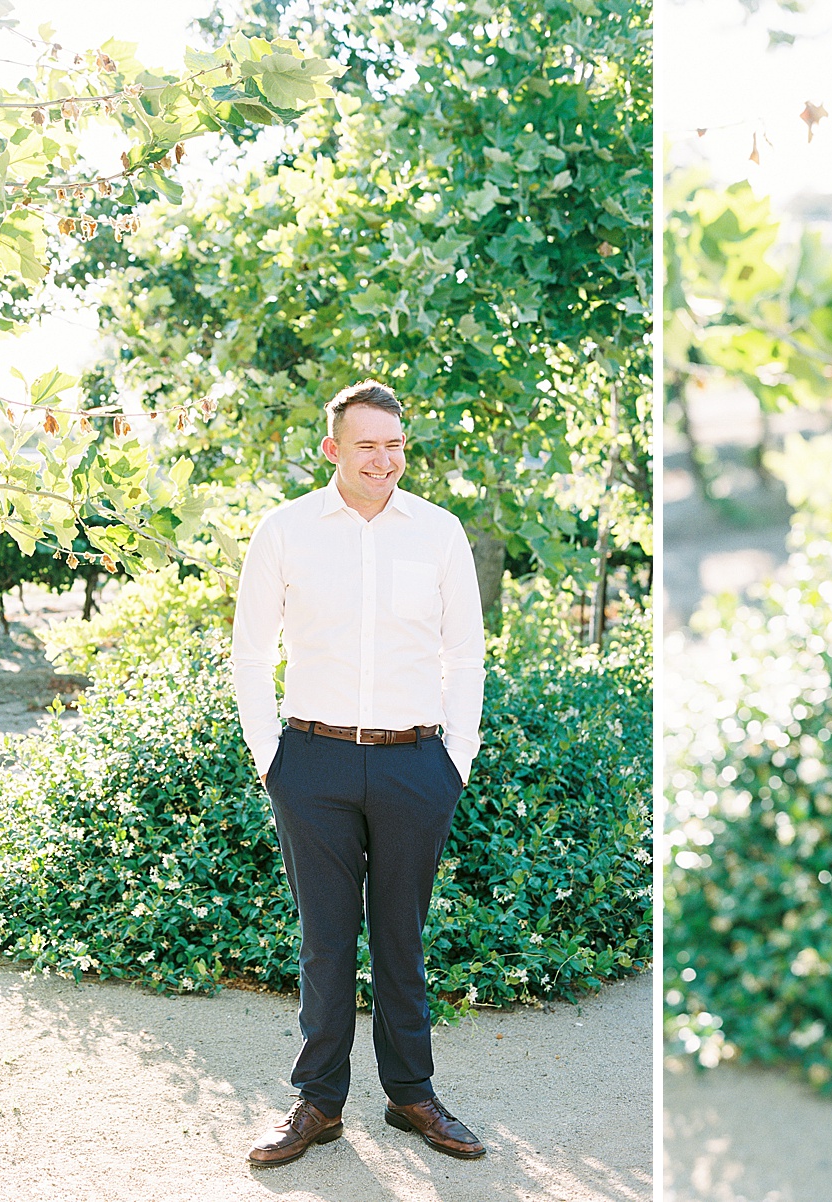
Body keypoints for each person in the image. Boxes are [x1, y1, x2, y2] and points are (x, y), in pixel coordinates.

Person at [232, 380, 488, 1166]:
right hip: (313, 760)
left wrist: (456, 758)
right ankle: (318, 1103)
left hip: (417, 762)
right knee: (325, 941)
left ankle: (412, 1096)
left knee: (402, 938)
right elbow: (249, 653)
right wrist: (272, 759)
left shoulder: (439, 532)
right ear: (333, 448)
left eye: (395, 444)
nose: (384, 460)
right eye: (367, 444)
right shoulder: (285, 532)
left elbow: (466, 652)